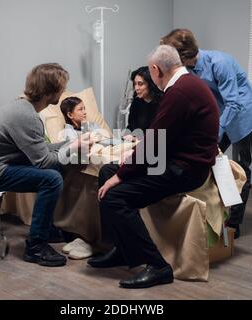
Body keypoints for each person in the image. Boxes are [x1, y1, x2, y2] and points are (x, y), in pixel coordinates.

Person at [87, 45, 219, 289]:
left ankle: (157, 266)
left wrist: (122, 175)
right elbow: (158, 140)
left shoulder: (179, 92)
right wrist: (120, 170)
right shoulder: (188, 83)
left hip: (186, 169)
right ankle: (122, 249)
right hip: (176, 159)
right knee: (107, 170)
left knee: (115, 196)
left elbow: (154, 143)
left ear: (156, 70)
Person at [0, 63, 92, 267]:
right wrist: (74, 146)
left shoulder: (23, 107)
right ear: (49, 91)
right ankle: (36, 247)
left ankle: (47, 229)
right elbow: (44, 161)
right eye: (61, 87)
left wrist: (72, 142)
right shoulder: (26, 116)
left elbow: (42, 148)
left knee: (55, 170)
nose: (64, 91)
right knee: (52, 178)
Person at [160, 28, 252, 238]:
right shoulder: (187, 70)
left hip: (244, 116)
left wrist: (213, 134)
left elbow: (233, 103)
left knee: (241, 169)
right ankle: (213, 213)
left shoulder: (220, 63)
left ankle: (234, 224)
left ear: (183, 54)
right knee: (209, 160)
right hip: (223, 115)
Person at [123, 66, 162, 140]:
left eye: (140, 84)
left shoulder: (162, 104)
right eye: (135, 84)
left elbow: (160, 134)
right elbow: (130, 126)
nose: (136, 88)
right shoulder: (137, 102)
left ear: (151, 84)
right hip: (136, 145)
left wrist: (137, 138)